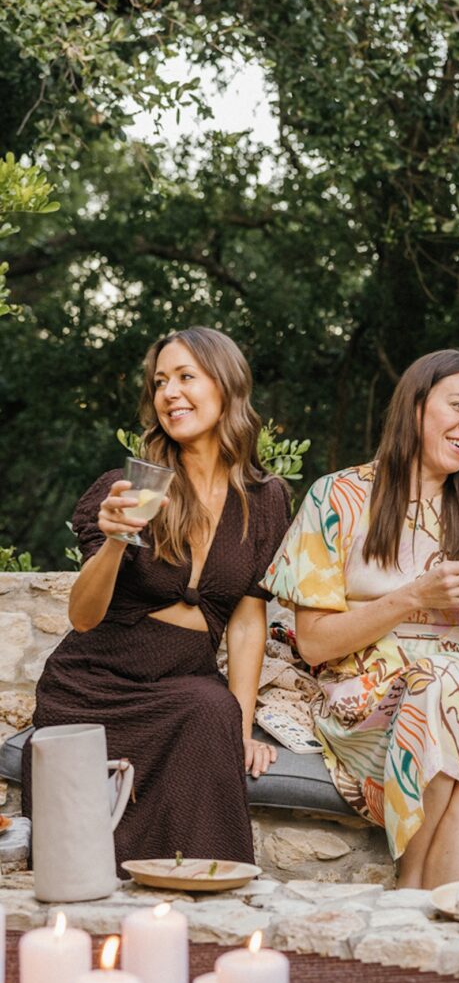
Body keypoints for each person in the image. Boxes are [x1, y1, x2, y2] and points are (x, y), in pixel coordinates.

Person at [262, 349, 459, 887]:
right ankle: (441, 915)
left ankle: (418, 904)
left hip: (458, 701)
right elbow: (313, 645)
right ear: (416, 407)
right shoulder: (338, 497)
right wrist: (414, 596)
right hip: (361, 708)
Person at [23, 327, 290, 866]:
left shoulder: (266, 500)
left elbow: (245, 622)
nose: (170, 392)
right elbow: (83, 614)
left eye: (186, 377)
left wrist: (242, 729)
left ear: (227, 386)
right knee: (85, 854)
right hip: (96, 684)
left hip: (183, 681)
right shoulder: (126, 489)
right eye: (161, 381)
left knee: (213, 710)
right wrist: (116, 542)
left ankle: (211, 901)